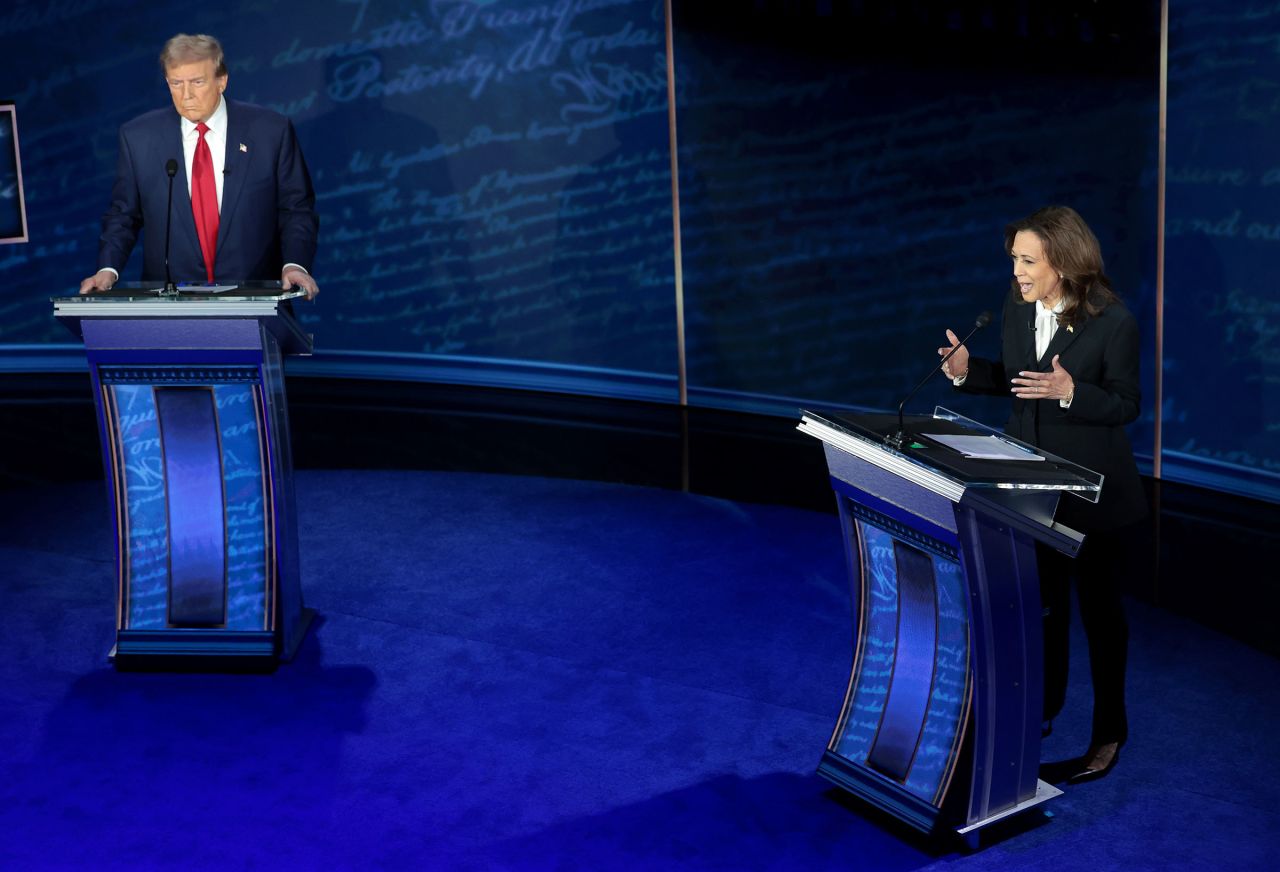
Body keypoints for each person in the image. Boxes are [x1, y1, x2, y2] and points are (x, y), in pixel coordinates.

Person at [938, 205, 1146, 784]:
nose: (1019, 274)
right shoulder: (1016, 306)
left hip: (1094, 498)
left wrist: (1072, 391)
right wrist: (964, 371)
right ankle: (1043, 711)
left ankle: (1109, 735)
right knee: (1042, 608)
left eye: (1029, 262)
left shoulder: (1114, 323)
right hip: (1030, 487)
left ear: (1064, 262)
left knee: (1102, 619)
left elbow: (1127, 404)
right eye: (1015, 262)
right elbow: (1015, 377)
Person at [79, 33, 319, 298]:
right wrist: (107, 269)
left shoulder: (270, 131)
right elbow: (123, 215)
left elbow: (296, 208)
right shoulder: (138, 137)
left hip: (254, 298)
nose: (186, 95)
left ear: (222, 81)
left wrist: (295, 264)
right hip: (171, 306)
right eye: (176, 83)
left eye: (197, 82)